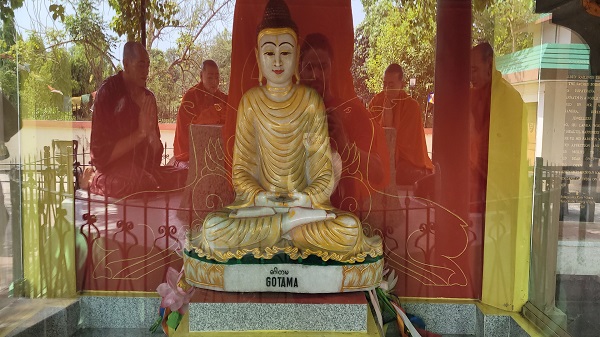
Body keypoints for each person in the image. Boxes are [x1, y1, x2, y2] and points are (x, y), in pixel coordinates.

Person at [188, 0, 383, 264]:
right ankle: (286, 231)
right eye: (269, 53)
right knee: (214, 229)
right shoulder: (250, 103)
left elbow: (323, 173)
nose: (278, 61)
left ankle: (285, 230)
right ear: (258, 56)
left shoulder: (311, 102)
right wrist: (261, 196)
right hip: (263, 210)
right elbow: (241, 172)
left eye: (286, 52)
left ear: (296, 53)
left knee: (349, 229)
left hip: (302, 210)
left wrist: (305, 198)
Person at [299, 33, 390, 210]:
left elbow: (378, 173)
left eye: (322, 67)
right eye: (309, 67)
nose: (316, 74)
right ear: (299, 69)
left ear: (331, 69)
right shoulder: (286, 113)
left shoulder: (352, 112)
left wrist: (345, 146)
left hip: (340, 217)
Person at [89, 41, 186, 198]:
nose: (146, 71)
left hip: (144, 173)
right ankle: (92, 180)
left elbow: (155, 159)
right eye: (141, 65)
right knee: (137, 183)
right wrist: (140, 133)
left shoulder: (148, 98)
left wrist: (151, 136)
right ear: (126, 64)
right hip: (114, 174)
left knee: (186, 176)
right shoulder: (108, 93)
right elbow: (100, 157)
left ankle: (149, 183)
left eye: (148, 65)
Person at [368, 63, 434, 186]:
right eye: (384, 84)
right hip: (379, 158)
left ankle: (423, 175)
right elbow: (370, 134)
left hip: (404, 162)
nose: (386, 89)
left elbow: (402, 144)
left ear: (401, 85)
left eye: (391, 85)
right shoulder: (376, 102)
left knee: (400, 173)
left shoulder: (411, 106)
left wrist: (388, 120)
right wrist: (386, 109)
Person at [171, 60, 228, 169]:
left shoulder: (221, 97)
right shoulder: (191, 97)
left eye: (217, 77)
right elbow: (193, 127)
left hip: (214, 151)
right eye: (210, 78)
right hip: (189, 153)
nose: (215, 82)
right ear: (201, 76)